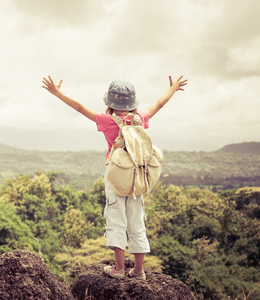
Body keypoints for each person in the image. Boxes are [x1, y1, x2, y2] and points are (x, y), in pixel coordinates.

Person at [42, 75, 187, 280]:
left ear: (110, 103)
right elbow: (159, 104)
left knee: (116, 218)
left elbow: (80, 108)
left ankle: (118, 269)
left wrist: (57, 93)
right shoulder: (140, 118)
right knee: (137, 221)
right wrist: (173, 88)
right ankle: (138, 271)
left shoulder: (108, 120)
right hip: (137, 175)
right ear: (132, 102)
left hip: (116, 174)